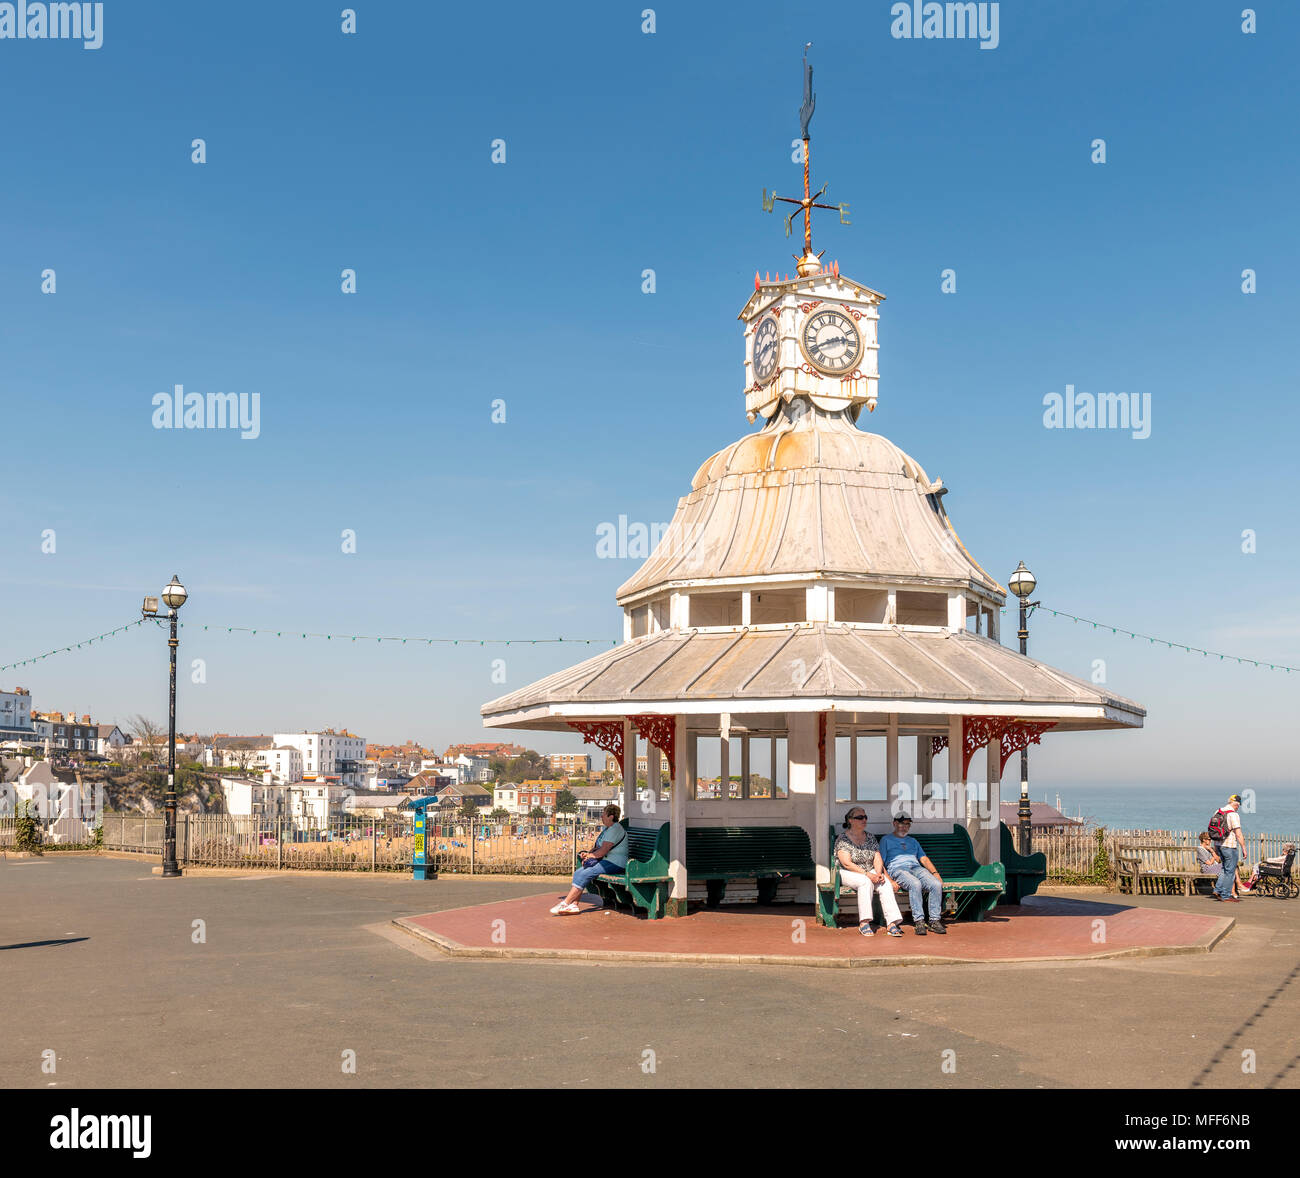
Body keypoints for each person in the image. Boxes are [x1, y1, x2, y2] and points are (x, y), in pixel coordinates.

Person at [833, 808, 905, 938]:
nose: (864, 820)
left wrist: (878, 873)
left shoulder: (870, 836)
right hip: (848, 872)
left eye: (865, 817)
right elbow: (847, 863)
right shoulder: (843, 838)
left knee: (885, 883)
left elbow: (877, 857)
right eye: (860, 817)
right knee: (865, 882)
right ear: (850, 820)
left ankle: (892, 923)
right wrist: (868, 874)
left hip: (870, 871)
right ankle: (864, 922)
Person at [551, 804, 628, 914]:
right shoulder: (608, 829)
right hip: (606, 860)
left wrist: (590, 856)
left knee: (587, 873)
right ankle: (574, 905)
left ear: (611, 817)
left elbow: (604, 850)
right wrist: (588, 854)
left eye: (604, 815)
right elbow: (598, 847)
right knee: (579, 872)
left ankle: (565, 903)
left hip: (616, 862)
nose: (601, 817)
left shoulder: (614, 829)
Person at [878, 814, 946, 934]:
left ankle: (934, 921)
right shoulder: (886, 840)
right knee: (915, 884)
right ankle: (919, 921)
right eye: (901, 824)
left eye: (907, 824)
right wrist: (890, 880)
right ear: (894, 824)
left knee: (936, 884)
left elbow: (923, 858)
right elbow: (880, 862)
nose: (904, 827)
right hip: (898, 869)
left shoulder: (913, 841)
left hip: (916, 868)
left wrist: (936, 873)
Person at [1210, 795, 1244, 903]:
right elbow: (1238, 834)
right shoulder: (1233, 815)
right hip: (1229, 846)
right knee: (1230, 871)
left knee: (1225, 869)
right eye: (1238, 805)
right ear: (1237, 804)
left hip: (1219, 845)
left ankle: (1218, 890)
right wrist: (1244, 847)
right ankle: (1225, 895)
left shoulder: (1218, 811)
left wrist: (1216, 848)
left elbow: (1215, 830)